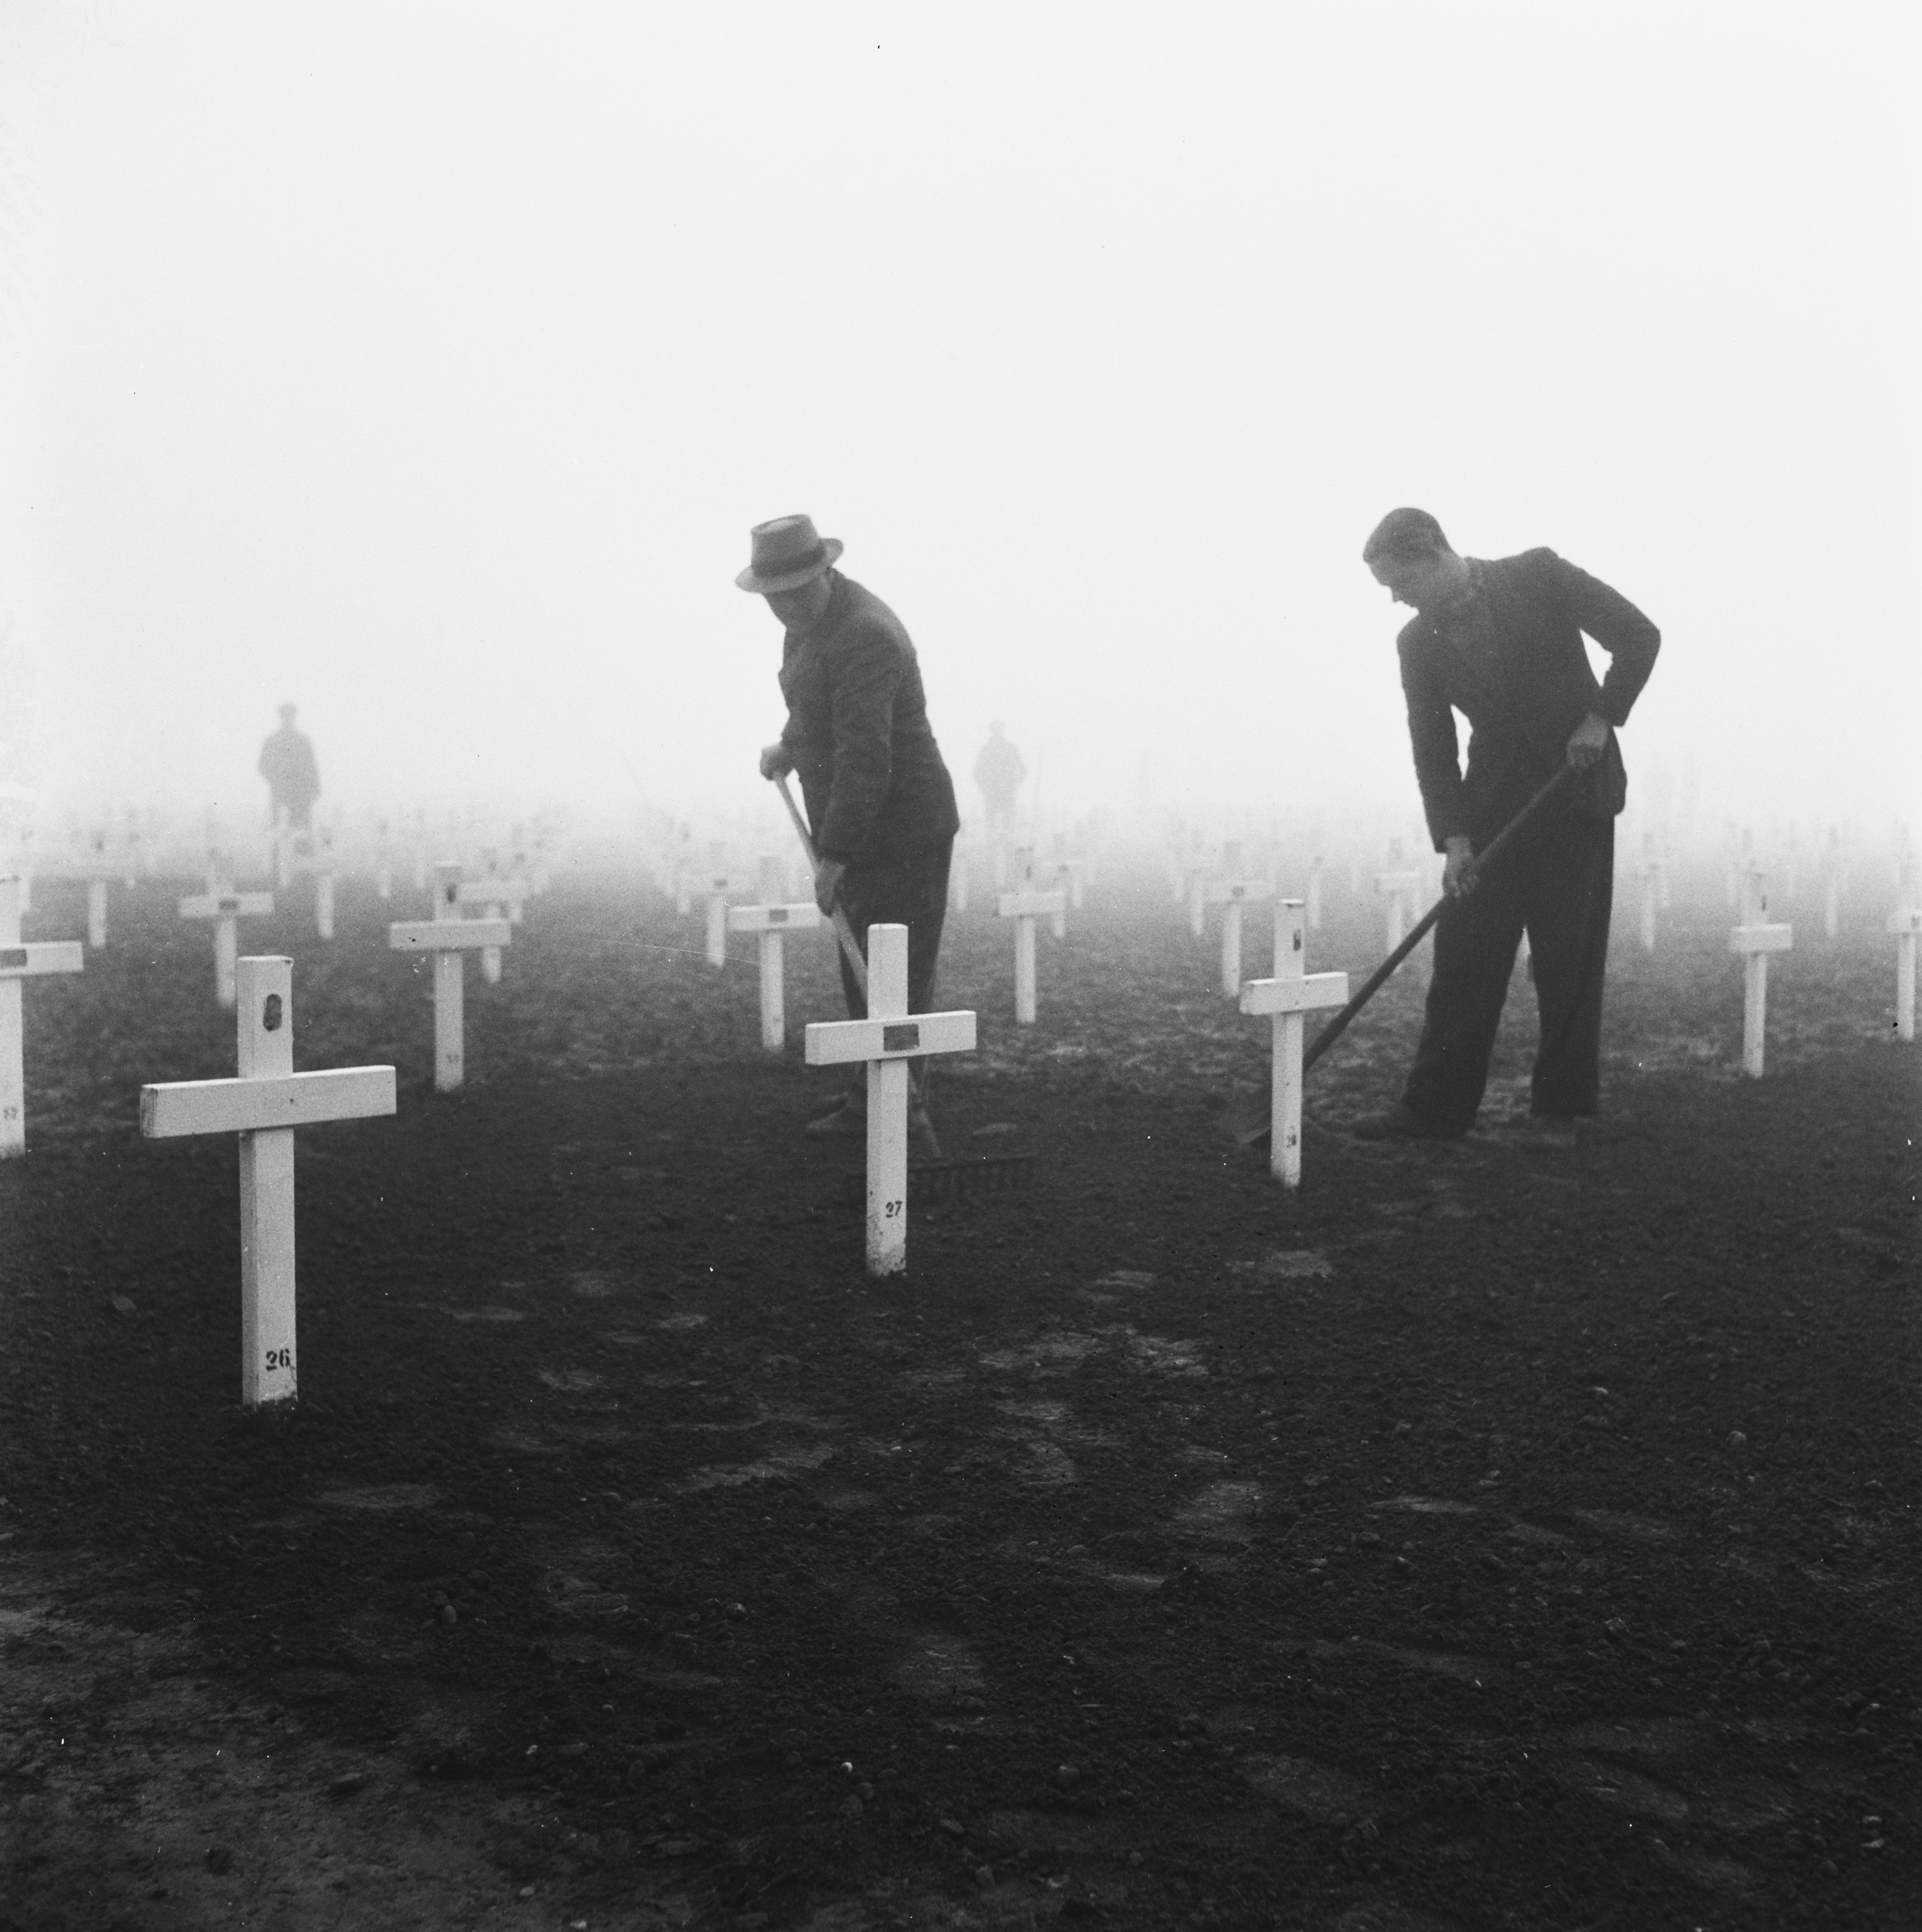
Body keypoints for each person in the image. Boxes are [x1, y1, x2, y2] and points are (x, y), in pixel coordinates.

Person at [1354, 509, 1659, 1140]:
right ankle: (1434, 1109)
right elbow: (1433, 748)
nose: (1394, 598)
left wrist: (1601, 719)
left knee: (1567, 961)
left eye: (1399, 581)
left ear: (1435, 554)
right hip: (1492, 809)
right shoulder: (1416, 644)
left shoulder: (1539, 575)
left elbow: (1639, 635)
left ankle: (1560, 1110)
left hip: (1575, 793)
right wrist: (1456, 841)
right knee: (1464, 955)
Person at [741, 515, 960, 1139]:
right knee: (860, 963)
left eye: (795, 591)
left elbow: (867, 754)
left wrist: (834, 856)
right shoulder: (808, 624)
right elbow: (813, 703)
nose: (784, 607)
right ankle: (873, 1101)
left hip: (904, 829)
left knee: (899, 973)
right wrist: (789, 745)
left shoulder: (866, 634)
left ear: (825, 573)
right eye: (773, 596)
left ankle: (907, 1117)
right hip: (861, 826)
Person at [257, 704, 321, 831]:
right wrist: (275, 778)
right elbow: (262, 765)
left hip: (301, 793)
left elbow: (312, 766)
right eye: (285, 716)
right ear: (281, 717)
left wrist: (315, 786)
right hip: (280, 792)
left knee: (301, 830)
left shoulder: (303, 740)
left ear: (294, 717)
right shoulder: (272, 741)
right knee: (279, 831)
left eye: (290, 716)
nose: (288, 719)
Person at [972, 720, 1026, 832]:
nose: (997, 732)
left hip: (1003, 791)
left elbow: (1022, 770)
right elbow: (977, 773)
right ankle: (997, 847)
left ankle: (1001, 846)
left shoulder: (1003, 748)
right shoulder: (988, 749)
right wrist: (985, 787)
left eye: (998, 730)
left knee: (1005, 825)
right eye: (996, 730)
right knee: (996, 826)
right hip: (995, 792)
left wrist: (1014, 785)